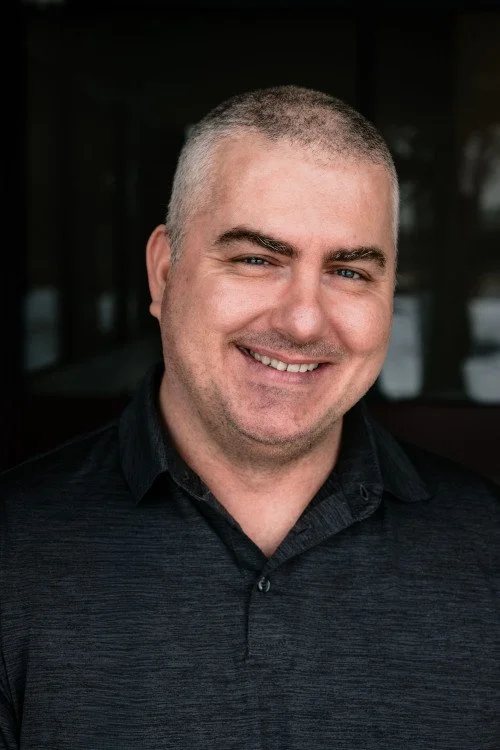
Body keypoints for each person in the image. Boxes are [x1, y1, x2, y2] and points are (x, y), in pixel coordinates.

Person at [0, 86, 498, 749]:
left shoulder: (490, 553)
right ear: (164, 273)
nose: (303, 321)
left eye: (350, 272)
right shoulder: (13, 552)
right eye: (257, 260)